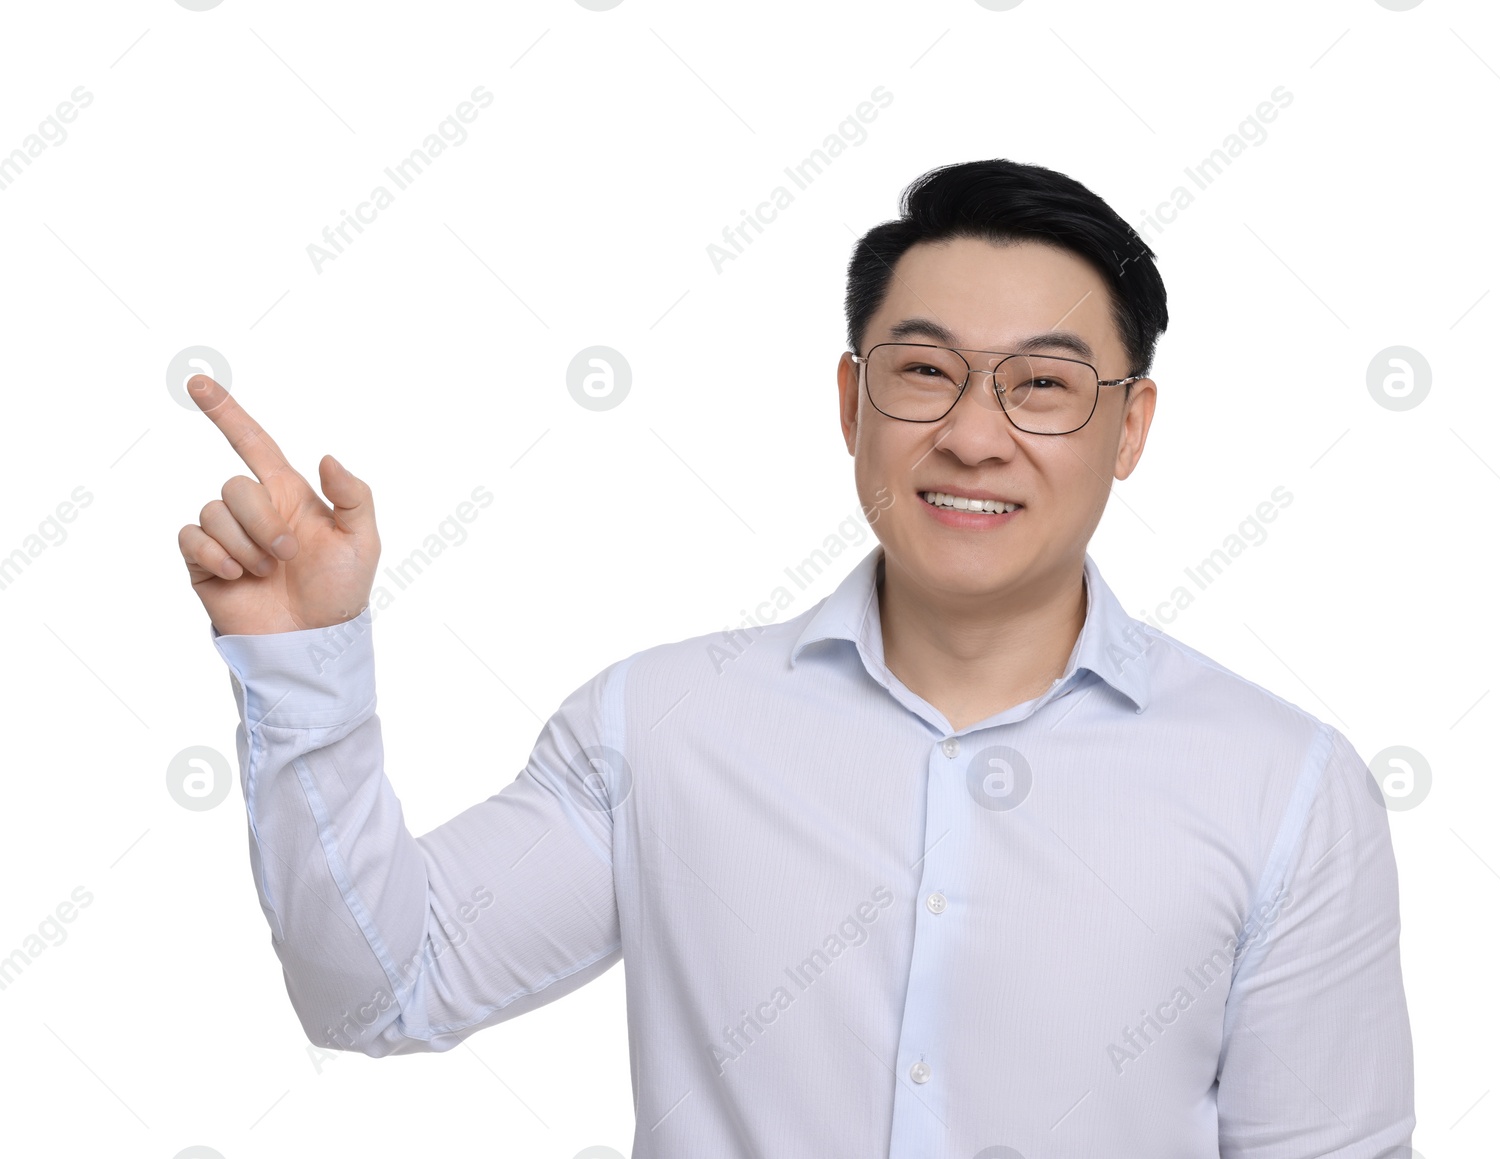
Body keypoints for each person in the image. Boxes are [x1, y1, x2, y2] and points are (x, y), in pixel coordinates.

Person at [178, 158, 1414, 1157]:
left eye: (1042, 385)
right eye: (924, 372)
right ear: (851, 404)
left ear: (1128, 426)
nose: (974, 434)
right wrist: (306, 666)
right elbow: (374, 992)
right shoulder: (661, 727)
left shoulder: (1283, 788)